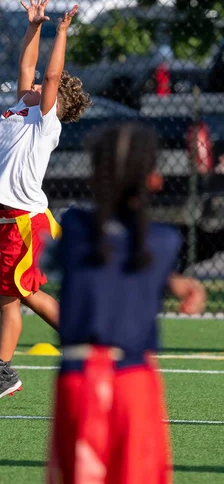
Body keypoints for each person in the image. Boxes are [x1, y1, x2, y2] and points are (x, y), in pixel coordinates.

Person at [45, 122, 206, 484]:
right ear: (153, 180)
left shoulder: (74, 228)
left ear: (93, 178)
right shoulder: (164, 242)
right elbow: (127, 255)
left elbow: (101, 256)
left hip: (78, 378)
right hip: (134, 381)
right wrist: (172, 280)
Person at [0, 0, 92, 411]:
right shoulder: (23, 105)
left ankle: (18, 365)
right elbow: (26, 65)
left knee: (21, 293)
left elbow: (52, 77)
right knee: (12, 295)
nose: (36, 82)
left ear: (57, 103)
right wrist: (34, 26)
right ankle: (10, 368)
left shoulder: (45, 121)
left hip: (27, 220)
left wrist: (61, 32)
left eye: (43, 85)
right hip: (10, 218)